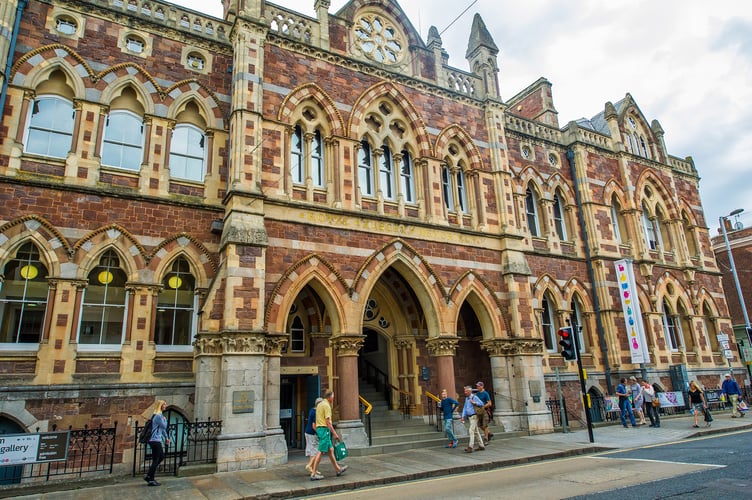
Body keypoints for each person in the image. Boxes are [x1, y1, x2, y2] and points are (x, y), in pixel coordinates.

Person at [309, 390, 348, 480]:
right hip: (324, 429)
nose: (333, 398)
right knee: (321, 451)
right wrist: (334, 433)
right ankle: (314, 473)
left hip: (319, 429)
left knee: (330, 450)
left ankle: (338, 469)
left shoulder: (320, 404)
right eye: (333, 396)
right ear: (330, 397)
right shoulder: (327, 406)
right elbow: (328, 422)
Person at [144, 399, 169, 487]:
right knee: (156, 459)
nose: (166, 406)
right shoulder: (158, 416)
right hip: (154, 440)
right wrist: (165, 420)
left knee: (160, 457)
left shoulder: (160, 416)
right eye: (164, 404)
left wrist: (166, 437)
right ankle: (151, 479)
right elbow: (164, 425)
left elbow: (162, 429)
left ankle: (149, 475)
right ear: (160, 406)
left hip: (156, 440)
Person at [460, 385, 486, 453]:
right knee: (476, 431)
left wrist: (474, 403)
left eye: (466, 391)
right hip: (469, 417)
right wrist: (463, 416)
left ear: (469, 391)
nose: (465, 392)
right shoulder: (466, 398)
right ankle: (481, 445)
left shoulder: (474, 397)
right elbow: (465, 408)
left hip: (474, 416)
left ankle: (470, 447)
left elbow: (481, 403)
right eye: (464, 391)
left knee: (471, 431)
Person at [305, 397, 323, 474]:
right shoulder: (316, 412)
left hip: (307, 432)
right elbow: (314, 425)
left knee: (312, 450)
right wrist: (319, 434)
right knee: (317, 451)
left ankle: (313, 469)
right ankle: (310, 465)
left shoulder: (311, 410)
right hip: (312, 433)